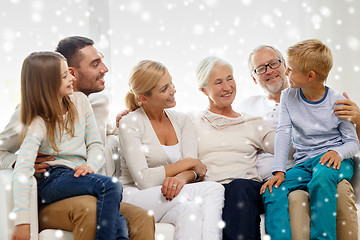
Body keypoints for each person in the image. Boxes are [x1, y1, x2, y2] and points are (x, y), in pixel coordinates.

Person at [0, 36, 155, 240]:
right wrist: (17, 162)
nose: (105, 69)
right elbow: (16, 161)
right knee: (101, 198)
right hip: (54, 185)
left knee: (138, 217)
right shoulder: (30, 117)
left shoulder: (86, 103)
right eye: (95, 63)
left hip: (83, 181)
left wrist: (127, 122)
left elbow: (98, 141)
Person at [240, 44, 359, 239]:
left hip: (335, 161)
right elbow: (283, 132)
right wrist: (278, 171)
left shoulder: (337, 101)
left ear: (310, 76)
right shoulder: (288, 96)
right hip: (304, 164)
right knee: (273, 188)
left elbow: (353, 143)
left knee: (322, 177)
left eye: (290, 69)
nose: (285, 72)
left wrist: (338, 153)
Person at [118, 60, 225, 240]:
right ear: (144, 98)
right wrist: (190, 163)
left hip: (169, 195)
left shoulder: (183, 120)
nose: (173, 90)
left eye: (171, 83)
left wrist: (181, 177)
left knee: (190, 210)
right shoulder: (130, 123)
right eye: (164, 89)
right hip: (135, 197)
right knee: (213, 189)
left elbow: (193, 171)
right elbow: (143, 179)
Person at [192, 56, 275, 240]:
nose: (228, 87)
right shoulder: (191, 122)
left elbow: (287, 148)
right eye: (218, 82)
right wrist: (126, 117)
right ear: (204, 90)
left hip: (245, 190)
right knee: (216, 193)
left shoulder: (254, 122)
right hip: (211, 191)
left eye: (230, 78)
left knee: (238, 187)